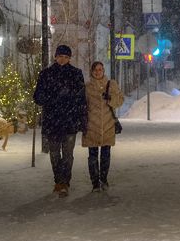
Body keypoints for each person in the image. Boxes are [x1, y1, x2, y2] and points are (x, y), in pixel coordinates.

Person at [33, 44, 87, 197]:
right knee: (55, 153)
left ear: (69, 58)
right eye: (60, 56)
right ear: (55, 57)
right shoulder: (46, 74)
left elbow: (81, 98)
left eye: (66, 57)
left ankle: (65, 182)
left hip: (69, 120)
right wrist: (52, 98)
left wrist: (81, 117)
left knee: (68, 154)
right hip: (52, 120)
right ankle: (58, 180)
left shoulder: (76, 74)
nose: (62, 59)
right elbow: (37, 96)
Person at [82, 61, 124, 192]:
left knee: (105, 155)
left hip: (107, 125)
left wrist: (110, 98)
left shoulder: (111, 84)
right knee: (92, 155)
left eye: (100, 69)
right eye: (95, 70)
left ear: (103, 70)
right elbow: (83, 105)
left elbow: (120, 101)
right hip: (91, 125)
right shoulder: (87, 87)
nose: (98, 72)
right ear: (91, 72)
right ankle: (95, 183)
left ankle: (104, 179)